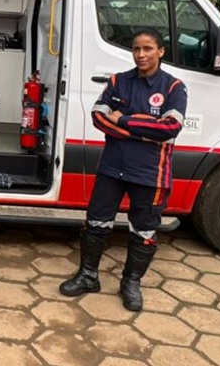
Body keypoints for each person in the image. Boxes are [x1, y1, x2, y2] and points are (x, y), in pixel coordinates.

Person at [60, 29, 187, 311]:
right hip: (112, 168)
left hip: (150, 173)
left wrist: (126, 121)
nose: (141, 55)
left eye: (148, 49)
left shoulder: (173, 88)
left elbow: (170, 129)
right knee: (96, 222)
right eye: (136, 49)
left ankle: (131, 283)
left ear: (160, 51)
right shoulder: (118, 81)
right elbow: (98, 117)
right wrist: (144, 130)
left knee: (143, 231)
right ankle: (88, 276)